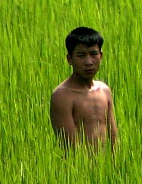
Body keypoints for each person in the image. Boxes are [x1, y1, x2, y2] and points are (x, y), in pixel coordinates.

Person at [50, 27, 119, 155]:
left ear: (101, 56)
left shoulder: (104, 90)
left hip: (107, 169)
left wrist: (116, 167)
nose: (88, 62)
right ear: (69, 59)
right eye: (81, 56)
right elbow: (69, 148)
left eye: (93, 54)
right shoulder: (62, 96)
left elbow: (113, 137)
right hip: (81, 170)